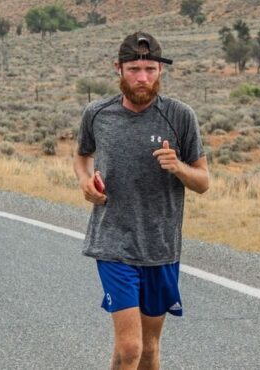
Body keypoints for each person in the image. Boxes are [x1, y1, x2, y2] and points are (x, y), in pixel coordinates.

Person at [73, 31, 210, 370]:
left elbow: (204, 181)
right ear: (117, 68)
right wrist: (85, 181)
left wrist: (177, 166)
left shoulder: (180, 116)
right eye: (134, 69)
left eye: (150, 68)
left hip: (160, 246)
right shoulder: (97, 113)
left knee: (148, 349)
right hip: (113, 242)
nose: (143, 78)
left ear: (160, 70)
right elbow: (81, 155)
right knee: (131, 346)